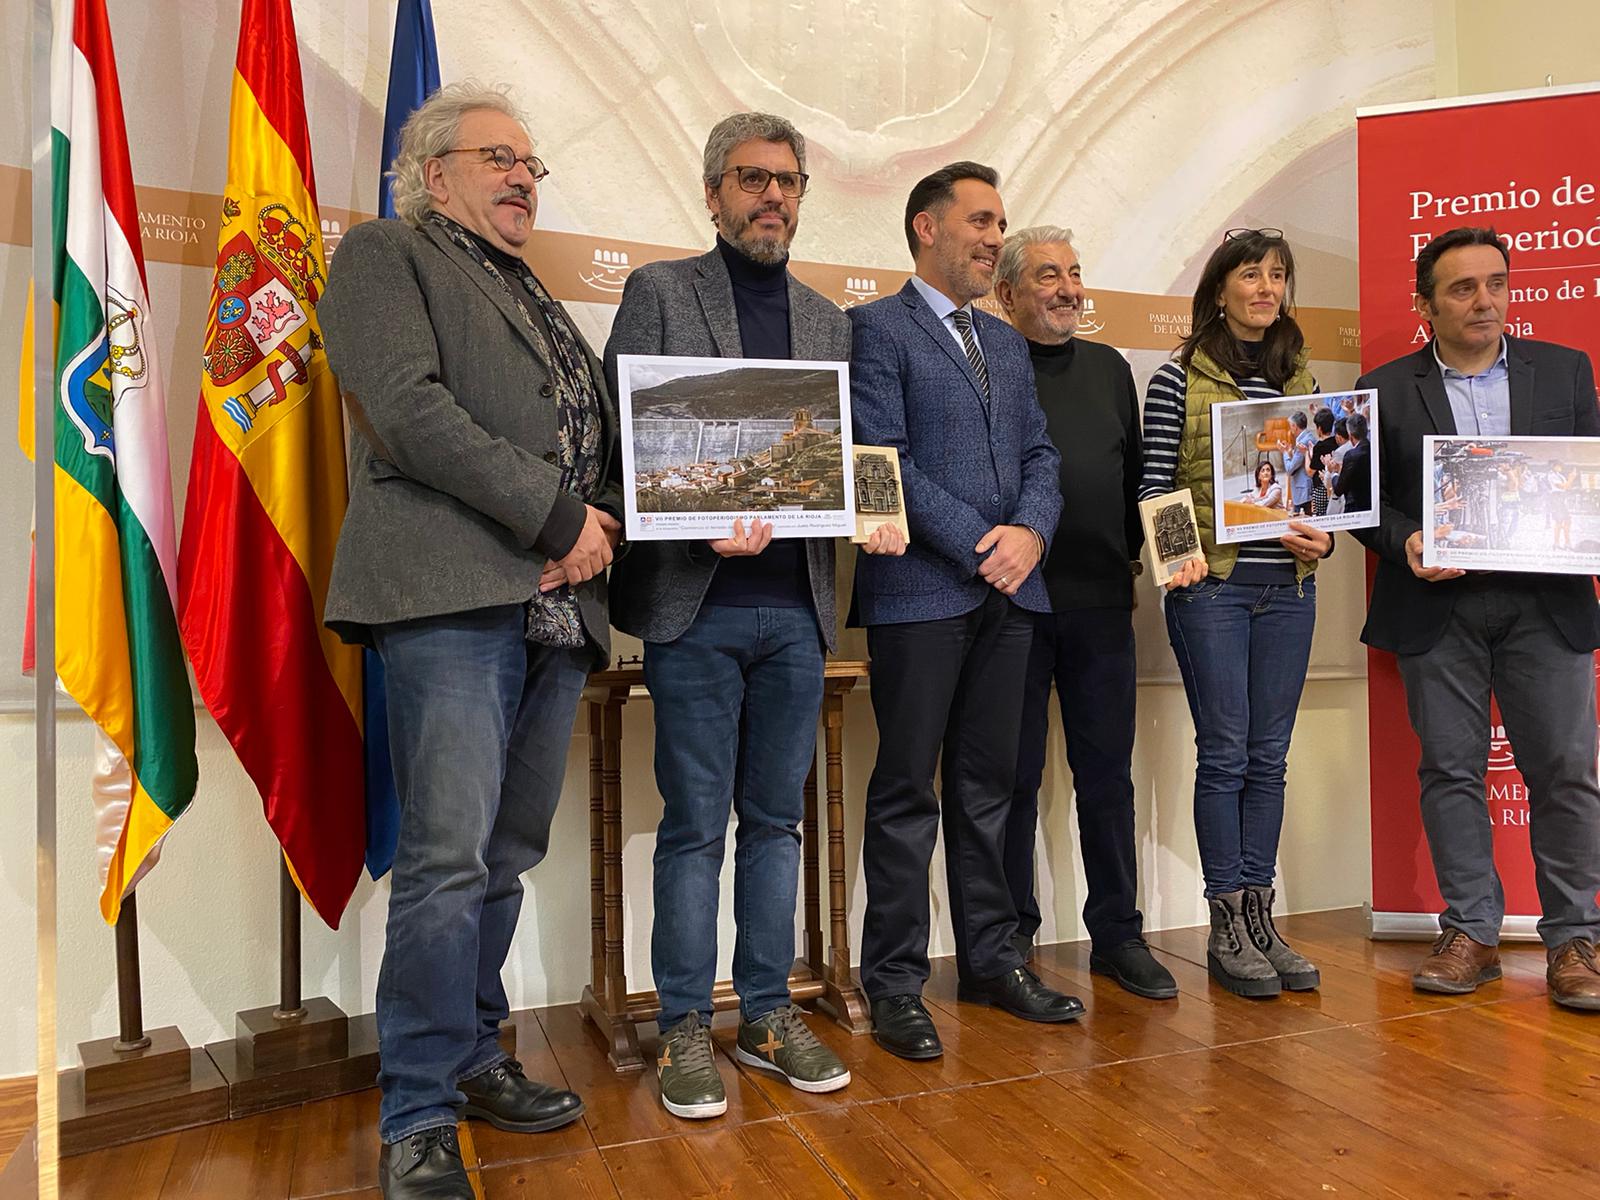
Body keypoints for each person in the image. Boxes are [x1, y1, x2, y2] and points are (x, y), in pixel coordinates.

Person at [319, 83, 611, 1199]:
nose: (523, 177)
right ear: (434, 173)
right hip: (448, 597)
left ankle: (478, 1054)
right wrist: (555, 518)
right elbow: (408, 408)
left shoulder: (529, 289)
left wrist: (617, 523)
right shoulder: (387, 253)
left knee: (504, 857)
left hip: (555, 608)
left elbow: (580, 438)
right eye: (499, 157)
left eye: (533, 162)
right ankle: (418, 1114)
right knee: (444, 864)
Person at [605, 112, 905, 1119]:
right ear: (713, 193)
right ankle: (687, 1026)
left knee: (774, 824)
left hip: (797, 610)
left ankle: (768, 1016)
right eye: (749, 180)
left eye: (784, 181)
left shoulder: (829, 321)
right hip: (695, 608)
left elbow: (842, 457)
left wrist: (877, 514)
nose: (769, 197)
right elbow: (626, 444)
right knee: (694, 828)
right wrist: (694, 531)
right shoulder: (657, 292)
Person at [851, 162, 1076, 1061]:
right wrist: (989, 543)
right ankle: (896, 982)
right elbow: (883, 460)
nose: (993, 240)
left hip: (1013, 592)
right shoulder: (874, 329)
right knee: (908, 791)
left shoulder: (1009, 342)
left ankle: (991, 960)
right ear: (925, 228)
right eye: (979, 222)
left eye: (1000, 224)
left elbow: (1042, 457)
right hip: (921, 595)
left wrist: (1031, 535)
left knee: (992, 789)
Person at [1354, 226, 1600, 1010]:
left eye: (1496, 283)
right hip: (1438, 604)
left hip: (1546, 605)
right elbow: (1361, 505)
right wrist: (1407, 541)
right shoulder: (1384, 389)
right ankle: (1471, 933)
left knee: (1565, 771)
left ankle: (1576, 940)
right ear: (1425, 304)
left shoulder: (1565, 373)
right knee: (1450, 771)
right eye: (1463, 288)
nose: (1485, 300)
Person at [1137, 227, 1331, 999]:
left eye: (1277, 275)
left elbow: (1319, 491)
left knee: (1270, 756)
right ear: (1219, 287)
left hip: (1289, 589)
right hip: (1212, 590)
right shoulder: (1175, 378)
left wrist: (1321, 538)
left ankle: (1261, 917)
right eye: (1249, 274)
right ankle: (1225, 923)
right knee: (1224, 755)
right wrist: (1180, 567)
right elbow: (1154, 486)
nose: (1264, 287)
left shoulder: (1302, 376)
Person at [992, 225, 1177, 1001]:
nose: (1068, 289)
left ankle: (1118, 937)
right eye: (1047, 276)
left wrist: (1168, 554)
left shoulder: (1109, 368)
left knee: (1107, 778)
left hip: (1103, 601)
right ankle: (1010, 940)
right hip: (1012, 604)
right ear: (1005, 294)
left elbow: (1140, 481)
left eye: (1074, 273)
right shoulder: (990, 367)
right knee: (1014, 779)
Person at [1329, 410, 1371, 515]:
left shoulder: (1351, 455)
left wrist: (1334, 472)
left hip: (1356, 507)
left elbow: (1339, 489)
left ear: (1350, 435)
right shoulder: (1373, 448)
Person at [1307, 408, 1337, 515]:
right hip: (1334, 486)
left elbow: (1310, 472)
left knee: (1320, 518)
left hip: (1321, 488)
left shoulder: (1319, 447)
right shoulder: (1337, 441)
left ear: (1319, 428)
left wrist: (1307, 454)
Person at [1285, 410, 1314, 514]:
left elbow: (1290, 469)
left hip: (1303, 487)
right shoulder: (1310, 436)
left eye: (1290, 426)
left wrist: (1285, 453)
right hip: (1307, 485)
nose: (1290, 429)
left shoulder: (1303, 442)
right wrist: (1290, 453)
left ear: (1294, 426)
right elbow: (1299, 462)